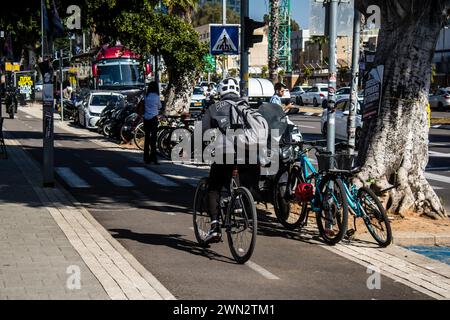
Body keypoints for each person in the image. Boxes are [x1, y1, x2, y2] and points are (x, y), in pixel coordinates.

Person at [200, 78, 260, 244]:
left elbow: (202, 132)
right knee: (249, 184)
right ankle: (242, 201)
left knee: (213, 187)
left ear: (221, 92)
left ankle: (214, 227)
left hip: (224, 154)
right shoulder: (247, 107)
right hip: (251, 155)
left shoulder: (214, 108)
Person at [143, 81, 162, 165]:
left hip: (146, 118)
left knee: (147, 138)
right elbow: (160, 106)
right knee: (153, 139)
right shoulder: (157, 97)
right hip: (154, 118)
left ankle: (146, 158)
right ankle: (153, 157)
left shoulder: (146, 96)